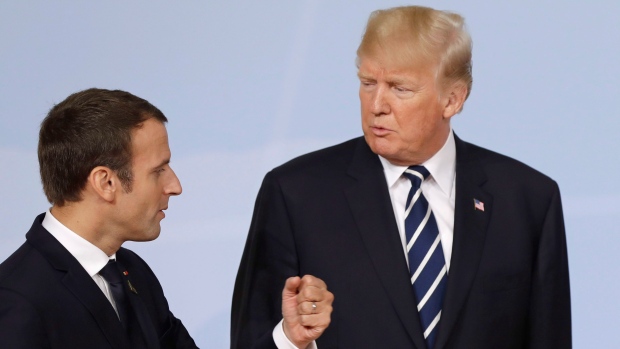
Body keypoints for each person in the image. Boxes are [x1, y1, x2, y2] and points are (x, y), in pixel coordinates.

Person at [232, 6, 570, 349]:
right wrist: (291, 340)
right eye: (367, 83)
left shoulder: (528, 200)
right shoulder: (295, 194)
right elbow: (252, 341)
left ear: (452, 99)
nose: (376, 104)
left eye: (400, 88)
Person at [0, 88, 333, 349]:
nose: (175, 186)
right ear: (106, 182)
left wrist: (290, 337)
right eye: (158, 171)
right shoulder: (17, 301)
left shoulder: (133, 275)